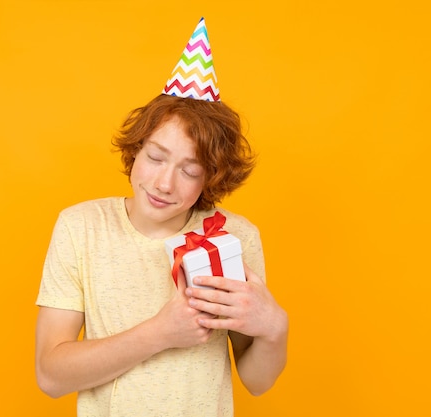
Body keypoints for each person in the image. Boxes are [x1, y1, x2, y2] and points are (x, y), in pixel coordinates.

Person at [35, 18, 288, 417]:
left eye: (189, 170)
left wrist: (275, 328)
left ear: (212, 177)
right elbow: (50, 375)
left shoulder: (234, 236)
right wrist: (160, 333)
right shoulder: (80, 227)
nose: (164, 183)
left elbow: (256, 381)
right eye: (155, 157)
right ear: (136, 150)